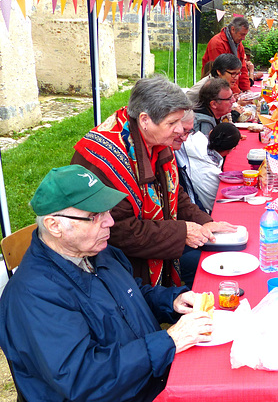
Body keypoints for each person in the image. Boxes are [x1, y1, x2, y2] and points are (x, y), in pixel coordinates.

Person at [0, 165, 215, 401]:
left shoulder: (97, 252)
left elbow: (132, 293)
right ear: (54, 226)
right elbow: (84, 379)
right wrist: (169, 340)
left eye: (108, 211)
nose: (110, 222)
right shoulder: (33, 296)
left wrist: (171, 301)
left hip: (147, 379)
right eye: (95, 216)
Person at [72, 76, 236, 286]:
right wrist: (182, 232)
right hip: (116, 268)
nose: (179, 131)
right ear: (145, 120)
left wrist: (206, 222)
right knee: (212, 273)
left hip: (152, 245)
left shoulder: (155, 138)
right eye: (173, 123)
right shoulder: (104, 160)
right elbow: (119, 232)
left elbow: (174, 193)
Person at [180, 122, 241, 213]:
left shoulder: (193, 139)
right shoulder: (210, 174)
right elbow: (217, 204)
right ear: (231, 149)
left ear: (211, 132)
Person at [202, 17, 251, 92]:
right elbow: (222, 74)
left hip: (230, 88)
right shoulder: (217, 44)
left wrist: (247, 90)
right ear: (233, 29)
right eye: (242, 34)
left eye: (245, 35)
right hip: (215, 89)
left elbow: (243, 69)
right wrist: (238, 93)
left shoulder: (238, 44)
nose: (243, 38)